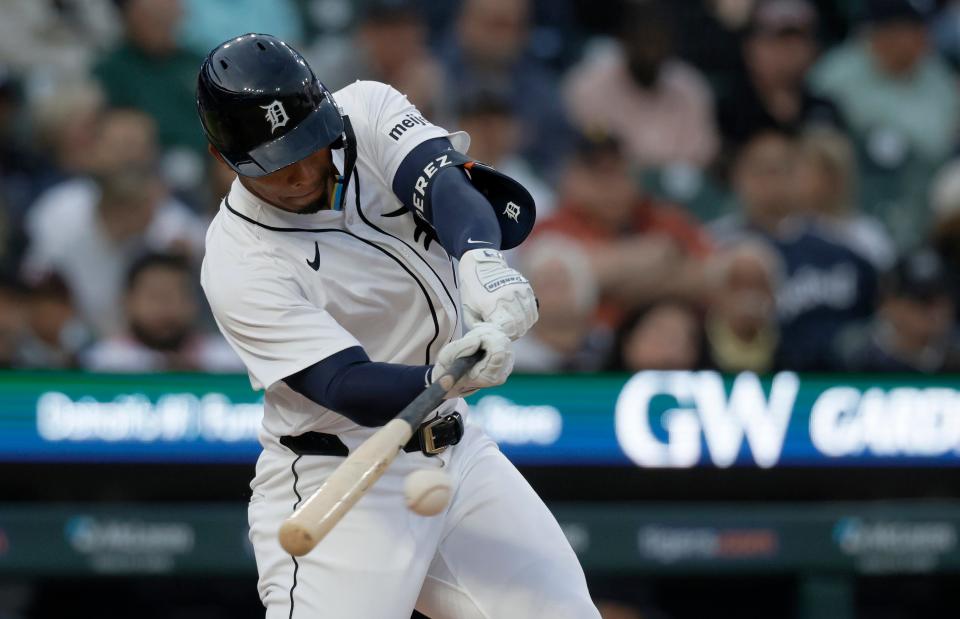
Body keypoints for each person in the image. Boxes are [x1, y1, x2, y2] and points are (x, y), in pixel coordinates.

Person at [196, 34, 598, 619]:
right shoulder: (237, 259)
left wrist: (481, 262)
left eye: (309, 144)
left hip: (455, 453)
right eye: (278, 163)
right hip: (343, 473)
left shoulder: (366, 109)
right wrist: (447, 375)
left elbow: (446, 185)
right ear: (221, 157)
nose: (304, 170)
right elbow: (342, 386)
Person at [564, 0, 719, 169]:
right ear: (625, 39)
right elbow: (579, 154)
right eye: (645, 40)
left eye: (659, 41)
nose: (651, 52)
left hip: (673, 191)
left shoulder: (692, 89)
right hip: (606, 185)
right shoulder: (587, 86)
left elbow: (702, 161)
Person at [717, 0, 844, 151]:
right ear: (750, 47)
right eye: (778, 42)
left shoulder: (824, 110)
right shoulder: (729, 113)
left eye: (798, 41)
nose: (789, 53)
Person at [83, 252, 240, 372]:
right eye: (155, 296)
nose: (165, 307)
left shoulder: (226, 361)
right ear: (127, 302)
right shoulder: (102, 363)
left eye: (175, 295)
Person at [835, 248, 960, 372]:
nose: (937, 311)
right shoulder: (853, 355)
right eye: (923, 300)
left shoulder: (954, 352)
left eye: (944, 300)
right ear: (889, 303)